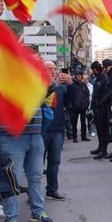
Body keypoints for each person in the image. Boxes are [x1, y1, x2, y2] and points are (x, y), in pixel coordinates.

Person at [42, 61, 69, 201]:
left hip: (57, 129)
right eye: (48, 68)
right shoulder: (39, 84)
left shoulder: (61, 87)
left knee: (54, 162)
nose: (52, 71)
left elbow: (73, 102)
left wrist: (71, 84)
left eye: (54, 68)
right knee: (36, 165)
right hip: (42, 130)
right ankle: (33, 195)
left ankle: (52, 190)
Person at [90, 60, 110, 159]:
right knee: (99, 129)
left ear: (95, 70)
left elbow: (106, 94)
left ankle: (103, 150)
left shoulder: (104, 78)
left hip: (102, 108)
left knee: (103, 130)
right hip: (97, 107)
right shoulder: (98, 78)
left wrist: (101, 103)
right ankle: (100, 147)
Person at [66, 68, 90, 142]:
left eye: (80, 75)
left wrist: (87, 103)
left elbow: (87, 94)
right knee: (74, 123)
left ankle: (84, 136)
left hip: (83, 106)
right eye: (78, 75)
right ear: (75, 75)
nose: (79, 76)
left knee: (83, 123)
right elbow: (69, 95)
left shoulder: (83, 84)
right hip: (74, 106)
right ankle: (74, 136)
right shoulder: (72, 84)